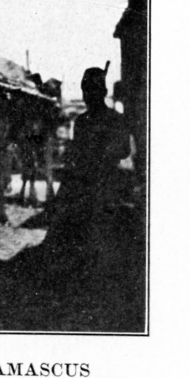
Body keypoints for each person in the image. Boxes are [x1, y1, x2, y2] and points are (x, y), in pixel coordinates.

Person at [46, 67, 131, 269]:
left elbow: (124, 150)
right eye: (85, 92)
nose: (87, 97)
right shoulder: (84, 121)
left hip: (105, 184)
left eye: (91, 91)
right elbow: (77, 155)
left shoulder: (112, 120)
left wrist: (104, 153)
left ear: (101, 92)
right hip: (87, 183)